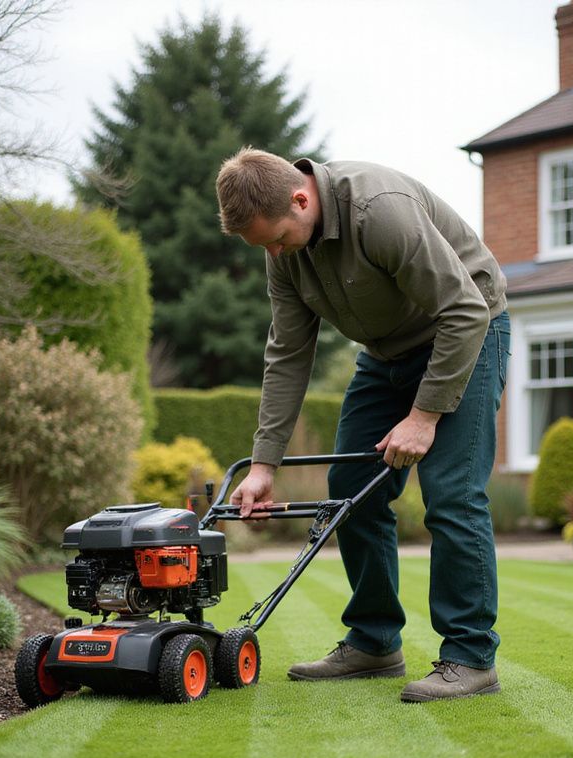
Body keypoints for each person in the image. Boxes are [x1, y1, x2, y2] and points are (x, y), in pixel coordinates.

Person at [216, 148, 509, 702]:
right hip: (386, 353)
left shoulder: (378, 210)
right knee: (350, 491)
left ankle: (471, 657)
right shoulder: (282, 248)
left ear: (300, 199)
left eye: (277, 239)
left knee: (452, 493)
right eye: (265, 247)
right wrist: (262, 465)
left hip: (469, 331)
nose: (275, 254)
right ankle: (375, 642)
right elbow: (287, 354)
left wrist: (424, 417)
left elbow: (464, 309)